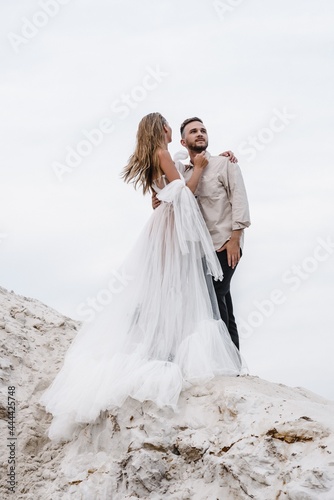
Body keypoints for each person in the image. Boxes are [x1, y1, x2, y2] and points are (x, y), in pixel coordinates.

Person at [40, 113, 244, 442]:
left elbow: (166, 192)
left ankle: (159, 346)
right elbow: (184, 195)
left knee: (164, 289)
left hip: (163, 226)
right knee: (174, 288)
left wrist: (219, 158)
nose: (171, 127)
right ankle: (160, 351)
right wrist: (203, 170)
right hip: (170, 226)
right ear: (162, 130)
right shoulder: (163, 155)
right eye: (169, 124)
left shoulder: (158, 157)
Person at [153, 117, 250, 350]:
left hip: (225, 244)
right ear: (183, 141)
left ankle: (224, 356)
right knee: (223, 300)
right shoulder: (183, 173)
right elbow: (168, 197)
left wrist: (235, 239)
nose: (200, 134)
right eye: (193, 131)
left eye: (203, 130)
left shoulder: (225, 164)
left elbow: (239, 200)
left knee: (215, 296)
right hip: (200, 249)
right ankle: (234, 362)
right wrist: (158, 197)